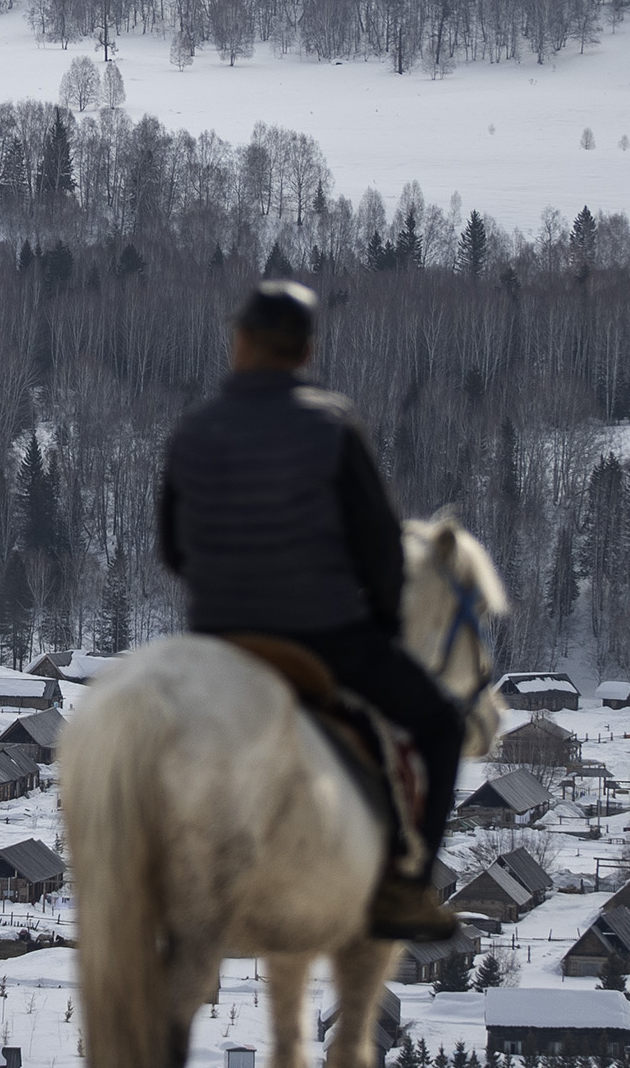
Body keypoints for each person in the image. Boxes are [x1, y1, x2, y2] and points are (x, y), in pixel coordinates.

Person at [158, 279, 465, 941]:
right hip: (324, 636)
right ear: (305, 352)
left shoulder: (194, 429)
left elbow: (172, 548)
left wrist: (223, 601)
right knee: (441, 724)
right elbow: (381, 546)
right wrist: (379, 626)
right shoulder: (332, 425)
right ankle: (406, 889)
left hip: (219, 642)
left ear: (239, 342)